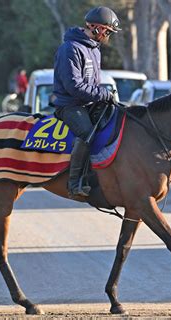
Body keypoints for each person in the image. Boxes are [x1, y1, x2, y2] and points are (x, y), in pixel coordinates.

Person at [52, 6, 121, 198]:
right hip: (69, 106)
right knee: (87, 134)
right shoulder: (70, 49)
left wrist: (103, 96)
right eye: (107, 31)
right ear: (97, 28)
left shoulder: (95, 49)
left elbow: (93, 84)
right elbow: (74, 86)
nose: (108, 35)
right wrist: (101, 94)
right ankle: (74, 184)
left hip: (88, 103)